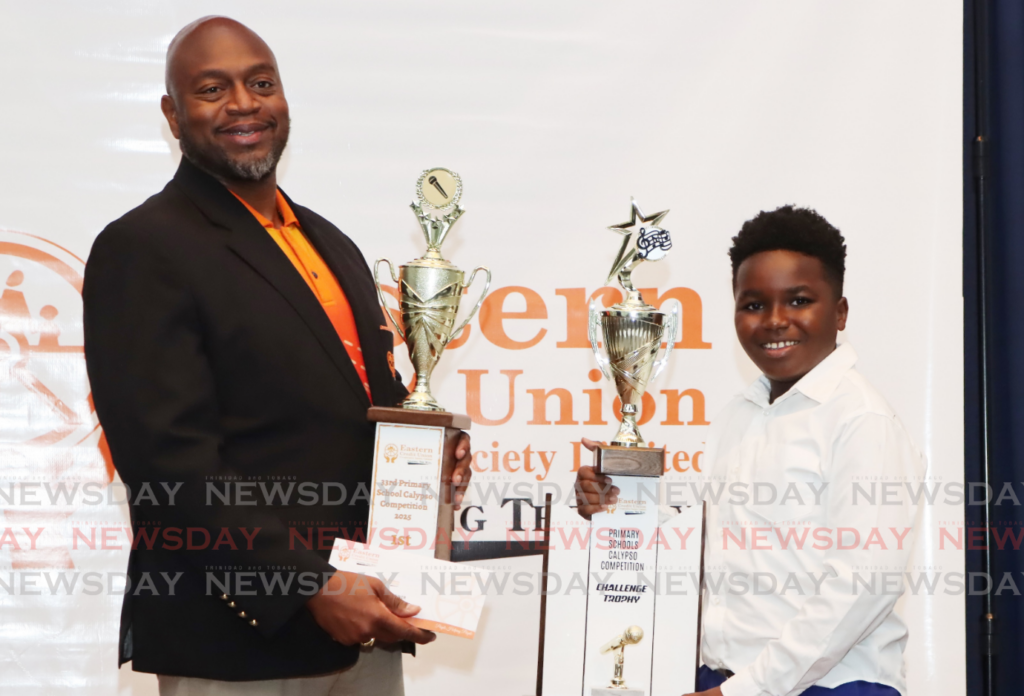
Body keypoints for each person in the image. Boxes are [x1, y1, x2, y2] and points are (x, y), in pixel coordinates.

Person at [83, 16, 473, 696]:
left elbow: (366, 411)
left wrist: (425, 464)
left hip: (367, 621)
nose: (243, 103)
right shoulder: (144, 246)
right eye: (212, 88)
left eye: (261, 83)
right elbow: (167, 462)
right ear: (173, 114)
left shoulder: (331, 243)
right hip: (240, 640)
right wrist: (308, 584)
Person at [576, 205, 923, 696]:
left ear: (840, 312)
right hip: (718, 679)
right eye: (754, 304)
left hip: (829, 687)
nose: (775, 321)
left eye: (799, 300)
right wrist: (614, 507)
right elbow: (711, 551)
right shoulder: (738, 414)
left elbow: (859, 588)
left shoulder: (862, 420)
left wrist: (744, 691)